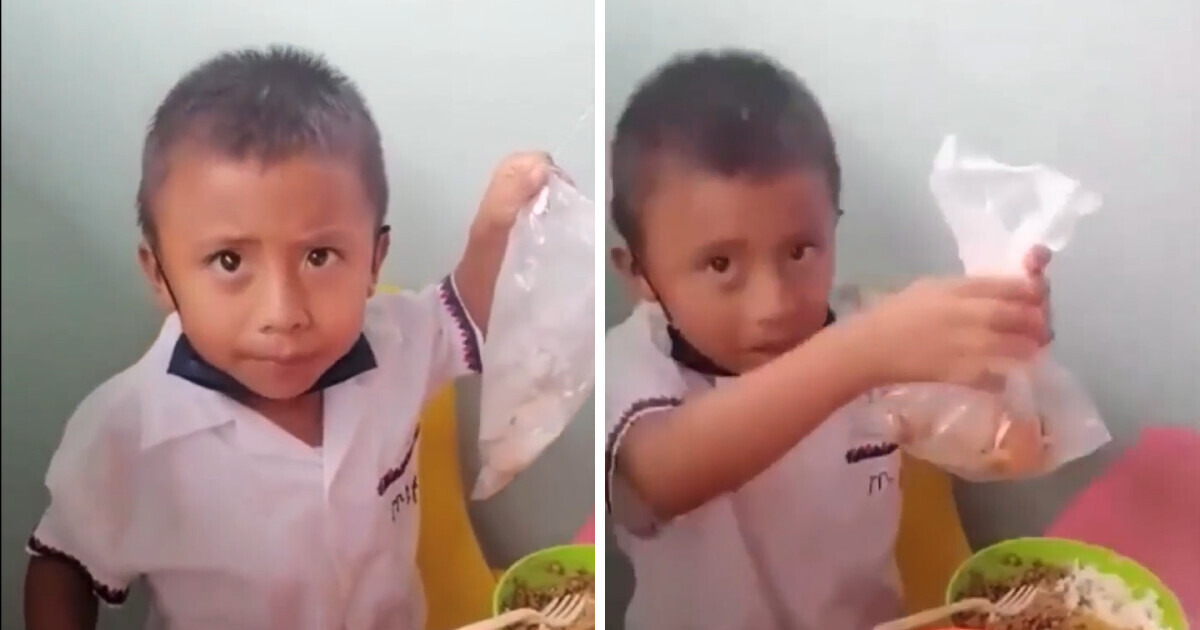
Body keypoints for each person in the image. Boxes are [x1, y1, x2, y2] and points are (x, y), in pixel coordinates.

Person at [23, 45, 561, 630]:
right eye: (229, 261)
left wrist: (495, 225)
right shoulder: (127, 431)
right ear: (161, 275)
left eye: (319, 256)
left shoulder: (397, 341)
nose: (282, 313)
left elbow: (469, 312)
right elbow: (64, 563)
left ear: (374, 259)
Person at [605, 49, 1052, 630]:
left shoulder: (871, 328)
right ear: (637, 272)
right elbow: (659, 478)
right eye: (719, 264)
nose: (773, 305)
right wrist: (862, 354)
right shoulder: (634, 364)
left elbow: (1013, 445)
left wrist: (1009, 339)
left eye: (799, 251)